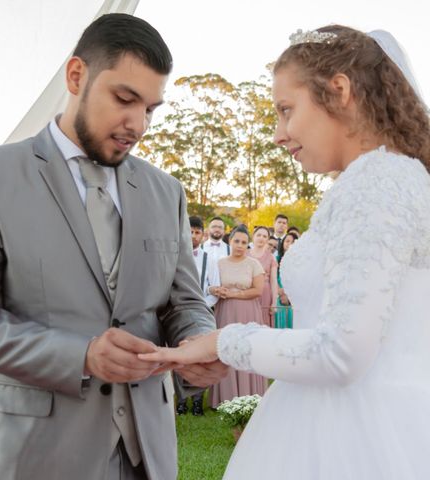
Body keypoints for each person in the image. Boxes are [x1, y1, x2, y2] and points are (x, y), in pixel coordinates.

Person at [0, 14, 228, 480]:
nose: (138, 124)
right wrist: (82, 355)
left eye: (151, 109)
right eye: (125, 99)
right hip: (31, 455)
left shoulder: (165, 191)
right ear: (77, 76)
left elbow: (184, 301)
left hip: (146, 454)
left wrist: (196, 341)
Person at [140, 25, 430, 479]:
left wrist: (224, 341)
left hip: (352, 439)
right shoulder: (381, 179)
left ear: (340, 91)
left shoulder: (378, 184)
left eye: (286, 110)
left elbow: (340, 353)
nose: (279, 134)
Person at [206, 225, 266, 406]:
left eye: (244, 242)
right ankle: (224, 397)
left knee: (246, 349)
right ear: (230, 241)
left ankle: (250, 394)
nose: (240, 245)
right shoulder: (219, 263)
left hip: (248, 313)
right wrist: (213, 289)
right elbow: (209, 285)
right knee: (226, 349)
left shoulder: (254, 264)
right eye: (236, 241)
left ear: (248, 245)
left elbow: (258, 291)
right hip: (225, 312)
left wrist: (233, 294)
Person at [175, 216, 220, 416]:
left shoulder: (208, 258)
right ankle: (181, 400)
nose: (193, 236)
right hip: (177, 313)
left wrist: (203, 305)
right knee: (180, 356)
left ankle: (196, 402)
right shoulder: (176, 255)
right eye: (190, 232)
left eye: (197, 232)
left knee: (201, 357)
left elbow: (215, 288)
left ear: (203, 235)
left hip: (202, 312)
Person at [248, 226, 279, 327]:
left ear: (267, 239)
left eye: (264, 236)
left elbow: (274, 281)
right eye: (259, 235)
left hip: (265, 295)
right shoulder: (245, 255)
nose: (261, 238)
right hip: (248, 293)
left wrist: (274, 302)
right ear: (253, 237)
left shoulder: (271, 257)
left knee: (264, 325)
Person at [274, 232, 298, 328]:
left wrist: (289, 295)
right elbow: (272, 278)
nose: (289, 244)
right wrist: (281, 292)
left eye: (293, 242)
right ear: (283, 243)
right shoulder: (276, 259)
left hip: (293, 298)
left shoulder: (298, 262)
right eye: (287, 241)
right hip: (277, 296)